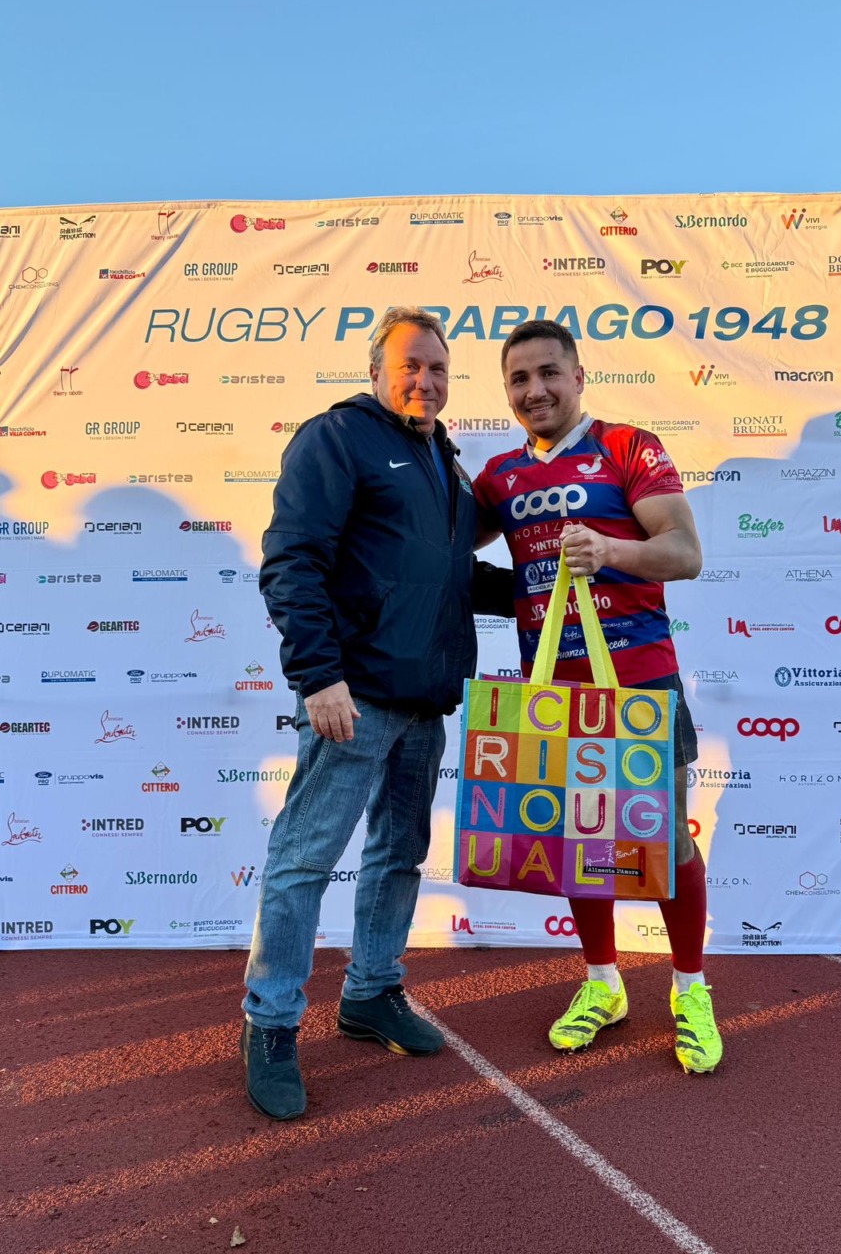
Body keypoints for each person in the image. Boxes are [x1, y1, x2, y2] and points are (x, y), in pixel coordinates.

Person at [242, 307, 510, 1120]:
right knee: (304, 861)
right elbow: (292, 560)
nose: (425, 380)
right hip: (352, 697)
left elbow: (450, 578)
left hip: (425, 702)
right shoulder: (338, 438)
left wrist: (550, 585)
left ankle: (371, 992)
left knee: (399, 857)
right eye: (409, 366)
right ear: (376, 373)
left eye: (438, 368)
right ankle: (271, 1024)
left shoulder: (443, 461)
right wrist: (319, 676)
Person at [473, 319, 722, 1075]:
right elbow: (433, 543)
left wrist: (611, 550)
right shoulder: (499, 476)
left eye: (549, 372)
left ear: (579, 377)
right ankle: (604, 985)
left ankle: (690, 989)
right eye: (519, 379)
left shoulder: (627, 447)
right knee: (579, 845)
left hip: (642, 684)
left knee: (665, 842)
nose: (535, 390)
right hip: (553, 691)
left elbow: (685, 552)